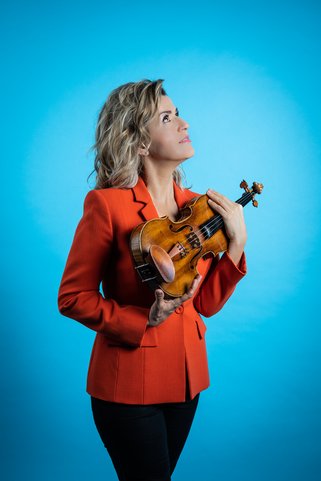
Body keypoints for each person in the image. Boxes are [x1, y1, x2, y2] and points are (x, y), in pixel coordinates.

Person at [57, 79, 247, 481]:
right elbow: (72, 296)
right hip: (128, 385)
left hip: (186, 382)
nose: (183, 123)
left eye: (177, 113)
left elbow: (207, 304)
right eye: (167, 117)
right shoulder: (107, 205)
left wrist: (237, 241)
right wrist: (145, 319)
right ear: (140, 142)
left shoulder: (198, 208)